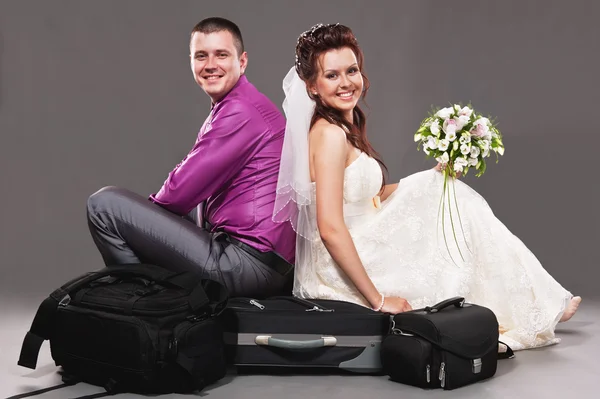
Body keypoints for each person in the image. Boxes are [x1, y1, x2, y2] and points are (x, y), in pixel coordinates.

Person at [272, 23, 581, 351]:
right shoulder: (330, 135)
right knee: (458, 214)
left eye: (352, 70)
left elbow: (367, 196)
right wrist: (377, 300)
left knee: (449, 195)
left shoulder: (342, 125)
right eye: (332, 75)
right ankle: (536, 303)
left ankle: (536, 301)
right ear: (312, 87)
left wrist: (432, 176)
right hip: (345, 261)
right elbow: (331, 228)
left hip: (364, 235)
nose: (347, 83)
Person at [87, 17, 295, 298]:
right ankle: (153, 305)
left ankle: (145, 310)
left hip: (247, 265)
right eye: (201, 56)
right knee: (154, 219)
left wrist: (141, 228)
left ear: (242, 62)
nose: (210, 65)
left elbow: (177, 194)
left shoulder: (241, 111)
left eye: (221, 55)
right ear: (191, 62)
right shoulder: (238, 105)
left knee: (104, 206)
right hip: (261, 263)